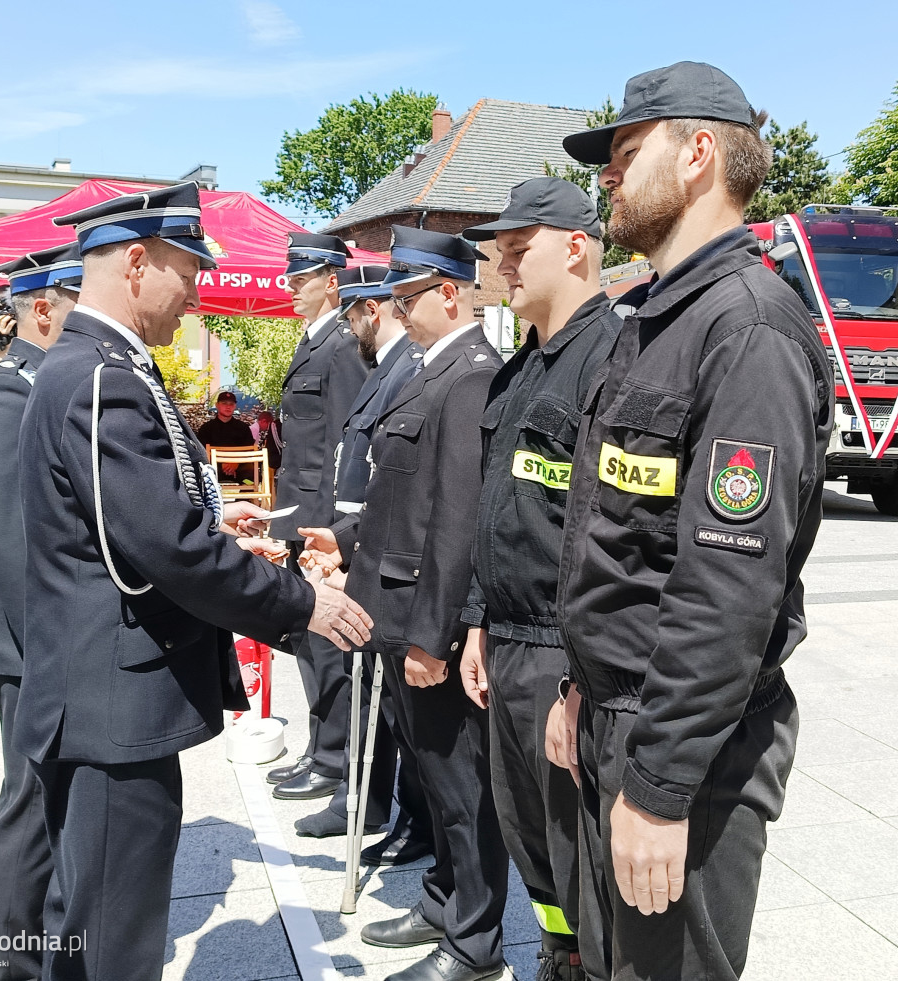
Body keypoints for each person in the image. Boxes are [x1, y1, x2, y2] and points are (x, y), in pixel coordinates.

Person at [13, 181, 372, 981]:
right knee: (114, 942)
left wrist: (212, 523)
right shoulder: (103, 377)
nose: (198, 293)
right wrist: (302, 603)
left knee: (93, 927)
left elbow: (139, 526)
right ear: (137, 264)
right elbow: (166, 552)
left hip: (104, 697)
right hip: (112, 708)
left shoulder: (98, 367)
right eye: (189, 271)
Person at [548, 62, 833, 981]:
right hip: (615, 716)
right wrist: (578, 689)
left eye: (628, 154)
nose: (609, 176)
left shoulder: (747, 327)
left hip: (684, 749)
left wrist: (662, 789)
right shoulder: (657, 318)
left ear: (699, 152)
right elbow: (622, 544)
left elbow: (728, 588)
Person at [323, 227, 508, 981]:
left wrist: (434, 635)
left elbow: (455, 520)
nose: (397, 311)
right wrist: (338, 540)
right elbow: (399, 493)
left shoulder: (468, 375)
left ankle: (475, 941)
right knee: (434, 781)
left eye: (407, 296)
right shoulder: (426, 370)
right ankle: (442, 897)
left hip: (422, 625)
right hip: (392, 611)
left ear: (450, 292)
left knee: (461, 787)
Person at [458, 178, 622, 981]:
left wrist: (584, 678)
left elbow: (609, 540)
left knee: (578, 847)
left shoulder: (612, 359)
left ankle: (585, 960)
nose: (503, 266)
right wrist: (480, 620)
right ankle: (557, 954)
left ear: (578, 247)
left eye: (519, 250)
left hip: (564, 654)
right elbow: (506, 511)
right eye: (500, 252)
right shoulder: (521, 368)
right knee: (532, 844)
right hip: (512, 643)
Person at [0, 242, 82, 980]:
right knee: (29, 815)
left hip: (42, 644)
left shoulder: (42, 383)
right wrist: (53, 656)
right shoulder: (9, 394)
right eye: (78, 301)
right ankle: (1, 967)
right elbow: (12, 545)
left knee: (46, 811)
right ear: (44, 309)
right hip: (27, 647)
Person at [293, 265, 432, 867]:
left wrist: (356, 553)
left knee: (393, 705)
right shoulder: (390, 367)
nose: (351, 333)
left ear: (372, 309)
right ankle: (366, 800)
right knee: (368, 689)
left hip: (383, 559)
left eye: (354, 317)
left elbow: (399, 485)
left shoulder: (411, 367)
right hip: (358, 547)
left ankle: (401, 814)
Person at [266, 233, 370, 802]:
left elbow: (344, 449)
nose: (291, 289)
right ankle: (320, 746)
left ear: (332, 281)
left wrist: (333, 535)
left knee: (328, 647)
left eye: (301, 279)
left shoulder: (341, 347)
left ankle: (336, 759)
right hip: (298, 516)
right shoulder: (314, 343)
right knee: (308, 643)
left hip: (320, 525)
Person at [196, 390, 256, 481]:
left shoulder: (243, 428)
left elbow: (249, 451)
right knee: (205, 470)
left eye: (231, 404)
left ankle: (246, 495)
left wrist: (236, 463)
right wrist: (221, 463)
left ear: (235, 406)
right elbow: (202, 452)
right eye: (224, 403)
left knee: (250, 472)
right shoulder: (206, 429)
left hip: (240, 469)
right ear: (217, 405)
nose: (228, 407)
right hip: (215, 469)